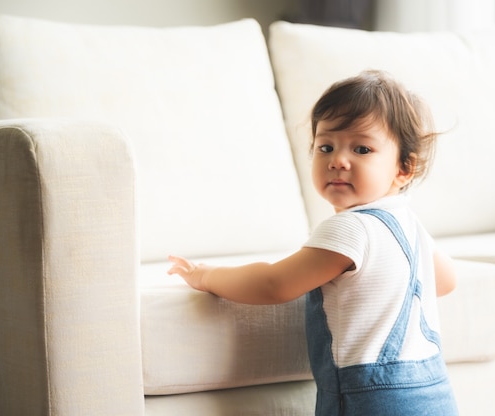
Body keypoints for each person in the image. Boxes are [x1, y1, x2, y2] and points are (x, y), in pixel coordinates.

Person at [168, 69, 459, 415]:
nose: (338, 160)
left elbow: (274, 284)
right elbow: (446, 280)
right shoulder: (409, 223)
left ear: (403, 169)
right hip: (433, 390)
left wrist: (206, 276)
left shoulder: (350, 228)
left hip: (370, 399)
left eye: (362, 149)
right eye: (325, 146)